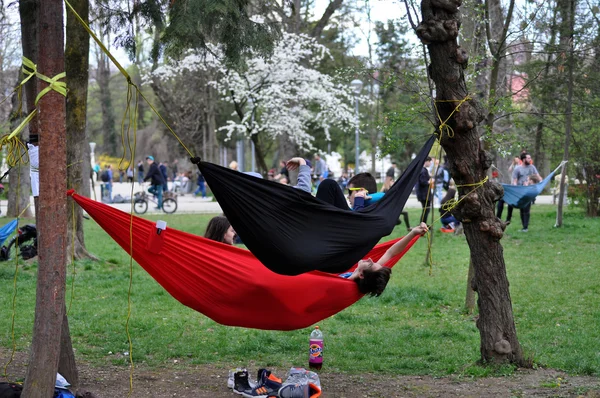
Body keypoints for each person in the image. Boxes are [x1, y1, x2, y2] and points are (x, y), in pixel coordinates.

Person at [338, 223, 429, 296]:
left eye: (370, 264)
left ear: (361, 275)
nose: (370, 259)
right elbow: (391, 253)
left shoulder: (346, 284)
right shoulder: (367, 275)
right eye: (373, 262)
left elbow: (334, 286)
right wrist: (413, 233)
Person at [512, 152, 542, 232]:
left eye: (530, 158)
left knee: (526, 208)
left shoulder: (532, 167)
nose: (530, 159)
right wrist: (515, 189)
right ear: (524, 159)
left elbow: (538, 176)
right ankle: (524, 227)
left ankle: (525, 227)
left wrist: (541, 181)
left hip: (529, 191)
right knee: (522, 209)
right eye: (528, 158)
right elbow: (515, 181)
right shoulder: (517, 169)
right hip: (520, 191)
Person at [416, 157, 433, 223]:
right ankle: (423, 224)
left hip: (423, 194)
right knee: (426, 210)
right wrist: (429, 181)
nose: (430, 163)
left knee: (425, 210)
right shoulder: (423, 170)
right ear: (426, 161)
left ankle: (423, 224)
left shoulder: (422, 169)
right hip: (424, 194)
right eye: (430, 161)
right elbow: (422, 182)